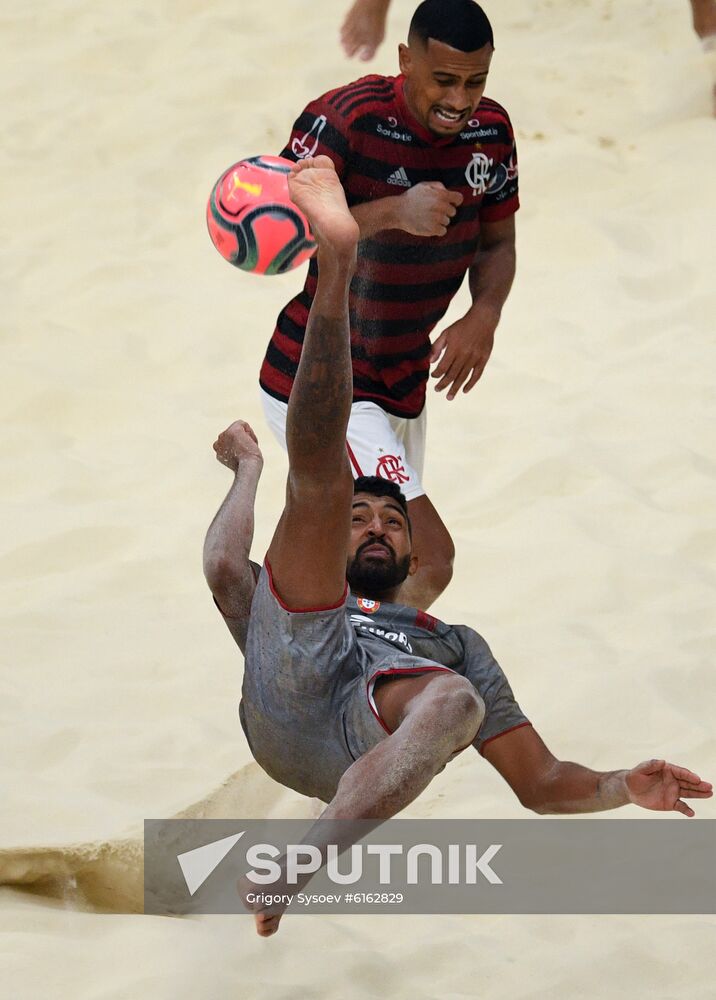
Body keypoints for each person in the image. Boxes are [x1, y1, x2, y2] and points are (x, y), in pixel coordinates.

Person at [205, 156, 712, 938]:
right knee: (318, 485)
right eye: (364, 520)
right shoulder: (313, 591)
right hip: (296, 677)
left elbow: (542, 784)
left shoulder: (451, 644)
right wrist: (246, 469)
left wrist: (622, 787)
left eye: (393, 521)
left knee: (460, 697)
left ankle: (304, 859)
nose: (378, 523)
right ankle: (336, 264)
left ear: (411, 558)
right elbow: (220, 568)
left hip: (360, 738)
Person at [260, 0, 518, 610]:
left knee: (368, 560)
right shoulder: (344, 119)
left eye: (475, 82)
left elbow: (499, 240)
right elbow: (285, 230)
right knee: (428, 554)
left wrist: (485, 314)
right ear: (406, 60)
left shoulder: (493, 132)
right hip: (324, 375)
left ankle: (327, 664)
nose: (460, 99)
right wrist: (394, 212)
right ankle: (339, 675)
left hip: (403, 382)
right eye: (445, 80)